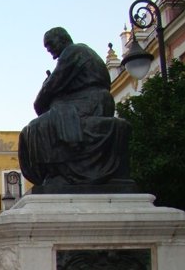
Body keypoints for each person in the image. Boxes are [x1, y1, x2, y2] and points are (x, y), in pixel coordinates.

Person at [18, 27, 131, 190]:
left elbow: (53, 85)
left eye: (50, 44)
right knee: (38, 126)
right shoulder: (78, 52)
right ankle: (59, 174)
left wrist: (40, 101)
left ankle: (62, 174)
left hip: (92, 102)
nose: (49, 49)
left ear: (62, 39)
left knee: (36, 128)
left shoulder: (73, 52)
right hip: (88, 101)